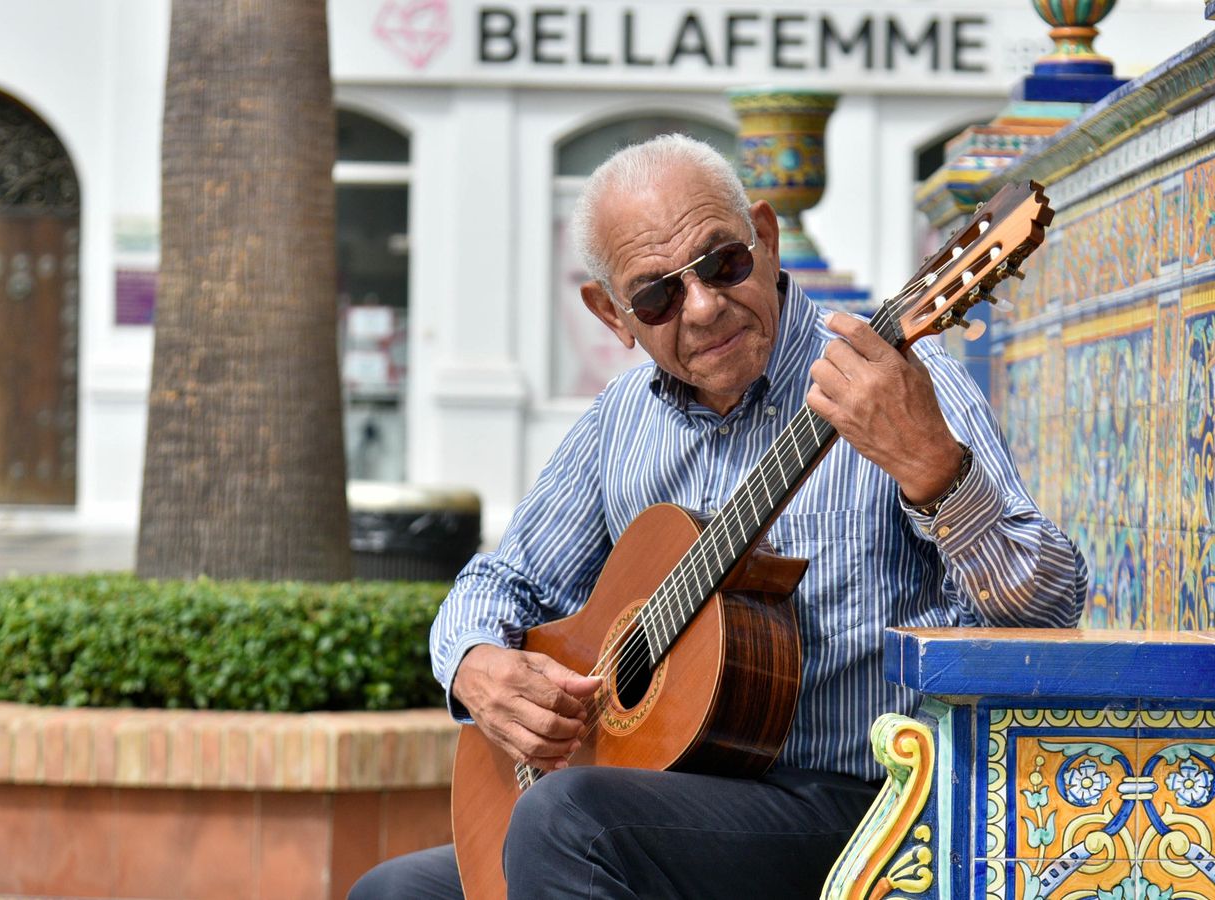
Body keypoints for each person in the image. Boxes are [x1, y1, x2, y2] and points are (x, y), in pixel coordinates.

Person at [350, 134, 1087, 899]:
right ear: (612, 315)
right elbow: (502, 580)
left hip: (867, 813)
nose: (703, 307)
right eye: (658, 296)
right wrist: (475, 664)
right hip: (660, 803)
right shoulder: (619, 421)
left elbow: (1052, 612)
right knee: (396, 893)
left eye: (722, 263)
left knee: (568, 818)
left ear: (765, 239)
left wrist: (939, 473)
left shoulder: (895, 380)